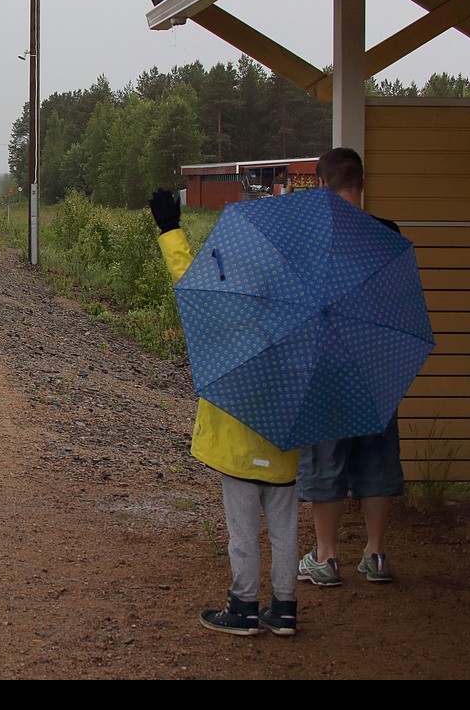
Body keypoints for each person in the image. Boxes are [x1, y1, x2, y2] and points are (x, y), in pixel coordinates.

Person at [149, 188, 300, 637]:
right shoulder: (301, 313)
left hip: (236, 440)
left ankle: (244, 606)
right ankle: (286, 608)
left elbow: (187, 280)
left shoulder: (227, 306)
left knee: (243, 530)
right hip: (284, 441)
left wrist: (171, 230)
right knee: (285, 530)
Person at [297, 147, 404, 587]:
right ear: (361, 182)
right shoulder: (389, 233)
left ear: (323, 185)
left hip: (328, 367)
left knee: (327, 460)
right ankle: (376, 555)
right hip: (379, 364)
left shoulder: (313, 236)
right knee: (377, 459)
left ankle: (326, 557)